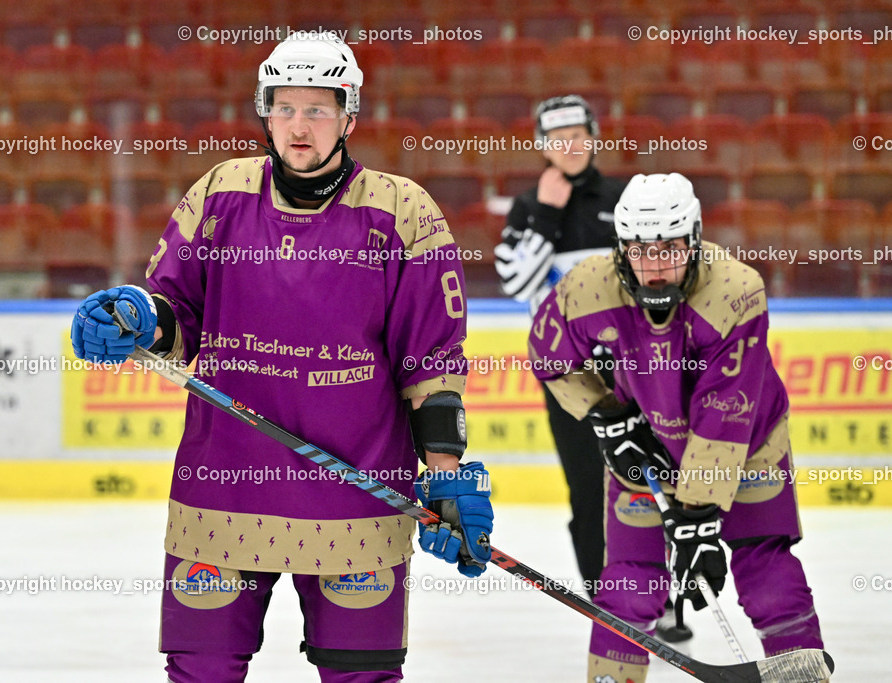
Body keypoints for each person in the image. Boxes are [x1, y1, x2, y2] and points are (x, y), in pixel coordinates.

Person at [69, 31, 493, 683]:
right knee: (200, 671)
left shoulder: (401, 211)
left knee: (362, 676)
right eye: (285, 106)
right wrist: (133, 315)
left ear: (349, 115)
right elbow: (173, 308)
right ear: (264, 111)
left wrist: (445, 473)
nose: (300, 125)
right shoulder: (220, 194)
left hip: (358, 496)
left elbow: (432, 359)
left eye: (318, 108)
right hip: (223, 493)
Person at [528, 173, 825, 683]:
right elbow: (548, 355)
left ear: (695, 239)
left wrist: (698, 518)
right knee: (628, 584)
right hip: (646, 447)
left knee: (764, 571)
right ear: (621, 248)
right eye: (641, 250)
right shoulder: (587, 286)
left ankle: (800, 674)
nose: (656, 266)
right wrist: (607, 417)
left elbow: (726, 408)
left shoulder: (734, 291)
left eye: (670, 248)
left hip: (750, 448)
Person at [494, 95, 625, 598]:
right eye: (557, 137)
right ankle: (608, 603)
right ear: (542, 145)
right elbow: (517, 282)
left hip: (633, 370)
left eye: (578, 133)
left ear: (594, 136)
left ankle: (664, 603)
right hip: (566, 376)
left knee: (644, 482)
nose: (570, 145)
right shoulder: (529, 206)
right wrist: (548, 214)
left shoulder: (624, 198)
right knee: (588, 489)